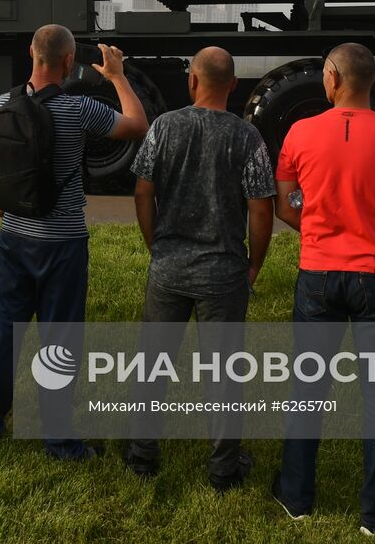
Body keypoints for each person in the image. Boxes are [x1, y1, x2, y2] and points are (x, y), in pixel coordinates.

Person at [0, 24, 149, 458]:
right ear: (67, 63)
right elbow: (137, 125)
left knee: (5, 331)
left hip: (15, 237)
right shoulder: (78, 110)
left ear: (31, 54)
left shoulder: (0, 105)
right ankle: (58, 439)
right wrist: (117, 76)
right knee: (59, 341)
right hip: (63, 244)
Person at [271, 43, 375, 535]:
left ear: (332, 77)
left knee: (307, 389)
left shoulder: (298, 132)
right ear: (371, 82)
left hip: (318, 274)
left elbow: (284, 206)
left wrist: (320, 230)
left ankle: (296, 496)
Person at [122, 46, 276, 491]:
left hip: (169, 267)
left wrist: (157, 246)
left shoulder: (165, 127)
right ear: (232, 86)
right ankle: (224, 469)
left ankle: (142, 456)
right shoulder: (247, 137)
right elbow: (261, 210)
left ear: (191, 80)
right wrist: (254, 264)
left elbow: (141, 193)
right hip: (224, 272)